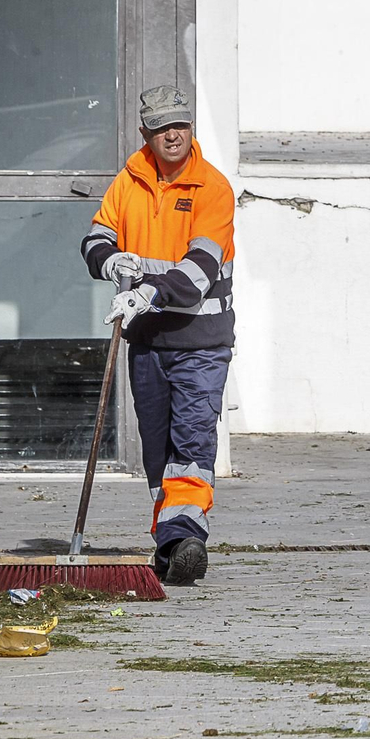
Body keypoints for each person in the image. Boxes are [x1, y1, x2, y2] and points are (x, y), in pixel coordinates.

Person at [80, 85, 236, 586]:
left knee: (190, 445)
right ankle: (171, 543)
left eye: (181, 125)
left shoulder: (211, 188)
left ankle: (187, 534)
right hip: (146, 344)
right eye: (163, 127)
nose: (174, 134)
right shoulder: (129, 182)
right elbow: (95, 236)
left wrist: (146, 294)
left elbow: (200, 270)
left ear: (191, 129)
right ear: (145, 133)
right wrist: (111, 262)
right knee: (157, 451)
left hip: (200, 344)